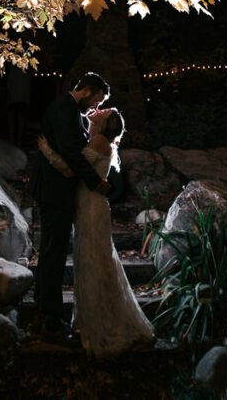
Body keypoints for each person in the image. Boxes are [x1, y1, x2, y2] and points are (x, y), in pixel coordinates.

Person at [39, 107, 156, 358]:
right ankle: (90, 321)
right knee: (90, 261)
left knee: (94, 261)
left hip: (91, 208)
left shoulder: (100, 141)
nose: (97, 110)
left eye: (103, 111)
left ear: (105, 123)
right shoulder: (97, 139)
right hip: (88, 205)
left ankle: (101, 325)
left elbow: (72, 169)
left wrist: (47, 151)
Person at [31, 72, 112, 340]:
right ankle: (50, 320)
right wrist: (95, 182)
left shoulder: (67, 109)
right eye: (96, 100)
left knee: (51, 252)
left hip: (56, 191)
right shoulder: (65, 109)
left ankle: (44, 314)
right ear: (87, 90)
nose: (95, 107)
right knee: (53, 255)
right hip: (56, 192)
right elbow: (72, 154)